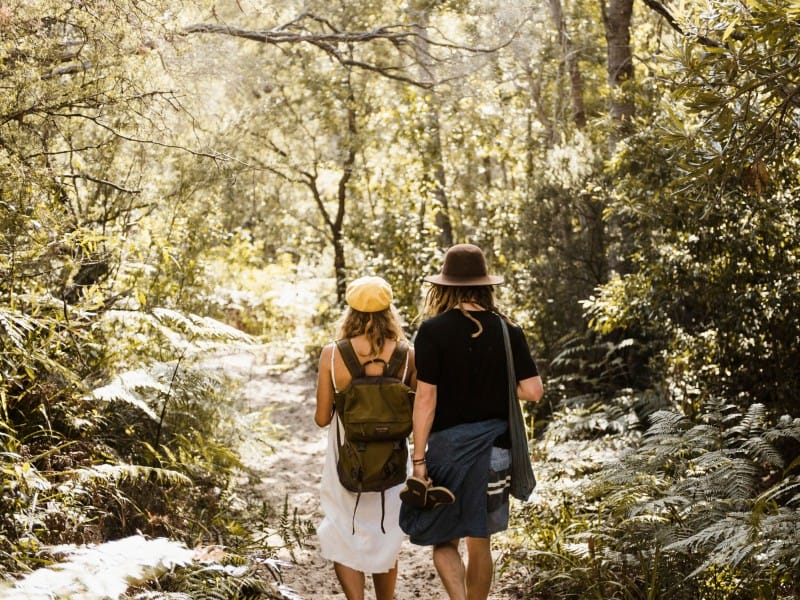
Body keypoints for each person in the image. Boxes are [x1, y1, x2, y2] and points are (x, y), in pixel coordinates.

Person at [400, 243, 543, 600]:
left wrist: (419, 460)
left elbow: (425, 399)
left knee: (442, 539)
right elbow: (533, 391)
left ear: (445, 287)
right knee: (481, 544)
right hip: (496, 452)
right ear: (485, 285)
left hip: (447, 452)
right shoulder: (509, 330)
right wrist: (494, 385)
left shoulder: (432, 331)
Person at [315, 275, 417, 600]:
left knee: (344, 533)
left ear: (350, 311)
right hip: (392, 461)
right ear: (390, 312)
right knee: (386, 535)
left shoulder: (332, 354)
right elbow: (415, 413)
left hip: (346, 459)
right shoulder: (407, 356)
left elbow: (322, 418)